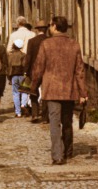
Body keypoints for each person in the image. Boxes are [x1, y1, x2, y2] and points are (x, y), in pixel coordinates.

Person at [31, 15, 87, 165]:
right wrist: (83, 93)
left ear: (54, 26)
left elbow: (38, 67)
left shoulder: (46, 45)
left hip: (52, 89)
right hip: (69, 90)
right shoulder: (74, 45)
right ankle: (68, 151)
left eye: (50, 25)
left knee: (55, 123)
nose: (49, 27)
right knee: (67, 121)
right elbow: (80, 71)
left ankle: (57, 155)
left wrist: (33, 86)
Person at [24, 19, 49, 123]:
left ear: (37, 30)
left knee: (33, 92)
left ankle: (34, 114)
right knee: (46, 93)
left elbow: (28, 57)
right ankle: (45, 117)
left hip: (33, 71)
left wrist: (26, 71)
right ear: (46, 29)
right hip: (47, 70)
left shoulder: (32, 41)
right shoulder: (49, 40)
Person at [8, 38, 29, 117]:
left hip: (14, 75)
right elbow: (25, 65)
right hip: (22, 74)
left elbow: (9, 67)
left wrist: (9, 77)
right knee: (24, 91)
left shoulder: (11, 55)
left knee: (15, 93)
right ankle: (23, 104)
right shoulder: (23, 55)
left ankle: (18, 112)